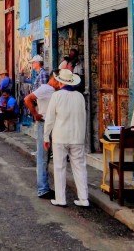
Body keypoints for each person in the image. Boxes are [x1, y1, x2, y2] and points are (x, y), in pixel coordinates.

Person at [44, 68, 89, 207]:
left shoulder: (56, 96)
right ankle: (84, 199)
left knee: (59, 167)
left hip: (60, 137)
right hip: (77, 137)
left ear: (60, 82)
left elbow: (50, 119)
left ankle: (61, 199)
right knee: (80, 167)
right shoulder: (80, 96)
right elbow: (83, 117)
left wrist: (46, 137)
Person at [23, 55, 54, 199]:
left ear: (37, 63)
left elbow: (35, 95)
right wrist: (35, 113)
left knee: (44, 156)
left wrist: (35, 111)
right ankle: (43, 188)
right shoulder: (43, 79)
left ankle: (44, 187)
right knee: (43, 156)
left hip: (45, 119)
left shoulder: (43, 76)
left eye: (33, 62)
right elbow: (31, 97)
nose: (32, 65)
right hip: (43, 119)